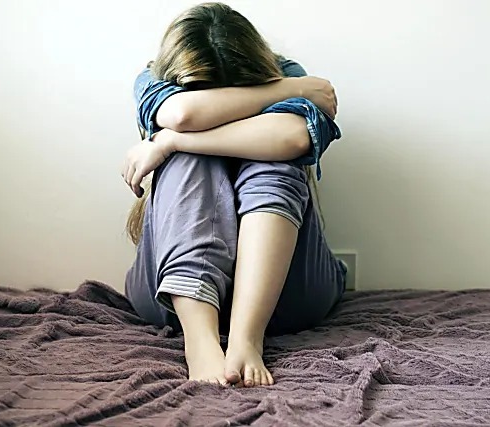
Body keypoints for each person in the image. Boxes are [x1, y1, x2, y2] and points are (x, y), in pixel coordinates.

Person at [122, 2, 346, 387]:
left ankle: (246, 337)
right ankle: (199, 340)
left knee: (275, 161)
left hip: (287, 298)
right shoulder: (154, 78)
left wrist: (170, 141)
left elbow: (293, 138)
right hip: (169, 301)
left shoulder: (285, 71)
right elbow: (182, 115)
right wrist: (289, 90)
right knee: (187, 159)